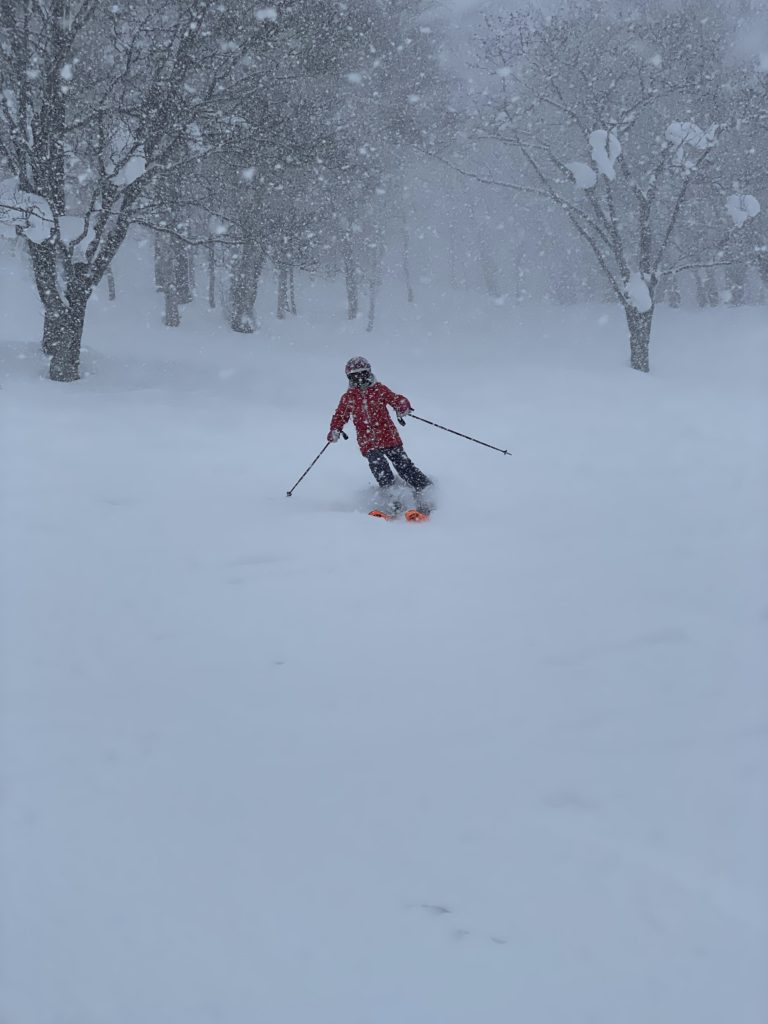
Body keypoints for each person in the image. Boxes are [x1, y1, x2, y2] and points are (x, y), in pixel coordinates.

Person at [327, 356, 432, 499]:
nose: (359, 379)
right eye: (355, 376)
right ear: (349, 378)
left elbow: (395, 399)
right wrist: (335, 429)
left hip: (389, 436)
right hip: (368, 441)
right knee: (379, 465)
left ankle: (425, 489)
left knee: (403, 464)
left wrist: (402, 406)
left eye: (363, 374)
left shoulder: (379, 390)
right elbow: (340, 415)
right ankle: (391, 496)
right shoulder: (349, 397)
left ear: (369, 373)